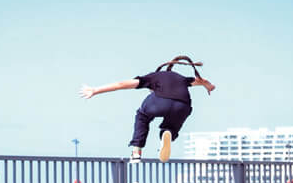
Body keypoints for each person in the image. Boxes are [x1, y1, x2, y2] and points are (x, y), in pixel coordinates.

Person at [80, 56, 216, 161]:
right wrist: (209, 86)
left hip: (161, 102)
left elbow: (121, 84)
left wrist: (95, 90)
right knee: (171, 127)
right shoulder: (182, 78)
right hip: (183, 105)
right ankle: (166, 134)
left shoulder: (152, 77)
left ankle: (136, 151)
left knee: (142, 115)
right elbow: (202, 81)